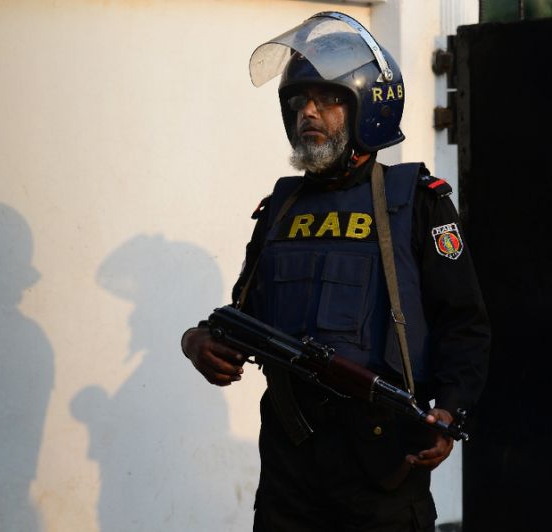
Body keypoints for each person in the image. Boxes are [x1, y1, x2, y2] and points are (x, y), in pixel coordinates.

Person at [180, 12, 489, 531]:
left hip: (384, 466)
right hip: (290, 468)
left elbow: (464, 323)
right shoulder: (279, 208)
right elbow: (245, 315)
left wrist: (450, 413)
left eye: (326, 100)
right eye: (298, 102)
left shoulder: (416, 204)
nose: (308, 113)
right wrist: (198, 341)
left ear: (368, 106)